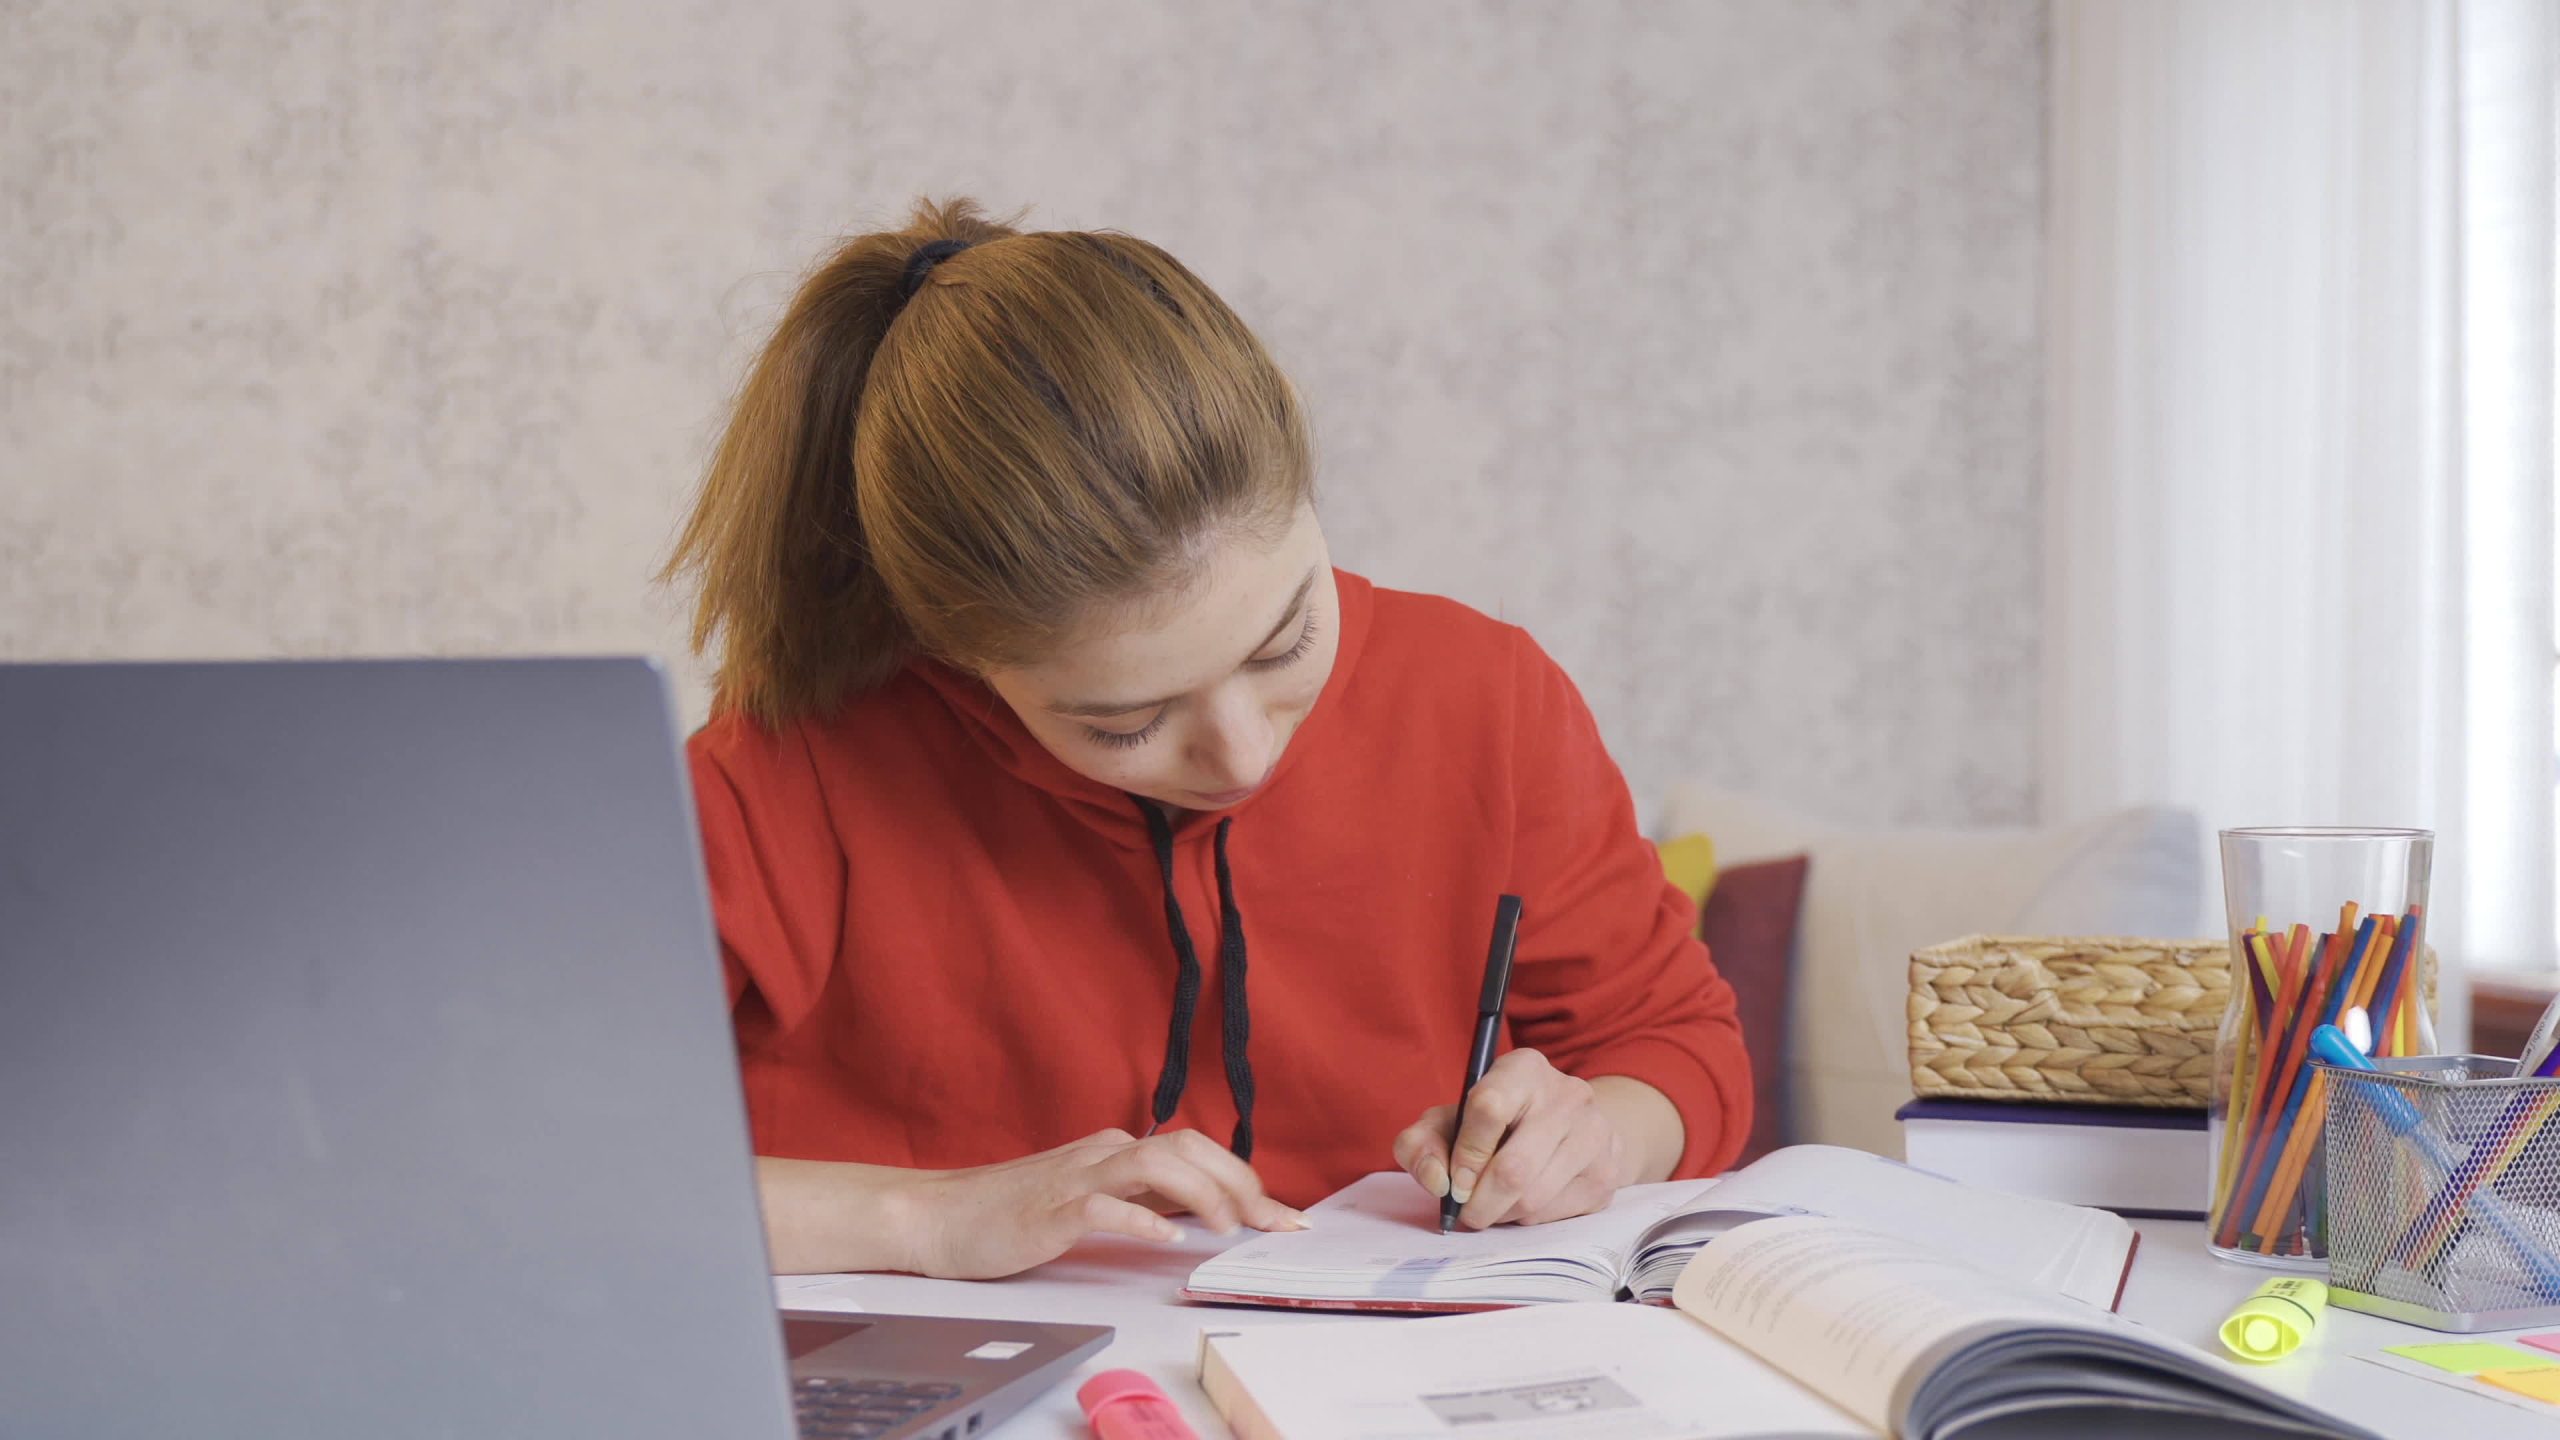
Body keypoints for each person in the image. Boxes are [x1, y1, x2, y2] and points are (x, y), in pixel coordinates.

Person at [664, 198, 1751, 1280]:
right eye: (1125, 721)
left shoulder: (1487, 699)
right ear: (957, 655)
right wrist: (929, 1220)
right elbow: (531, 1155)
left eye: (1285, 643)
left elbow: (1676, 1048)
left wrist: (1596, 1132)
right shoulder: (790, 771)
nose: (1241, 758)